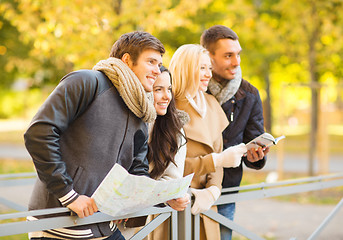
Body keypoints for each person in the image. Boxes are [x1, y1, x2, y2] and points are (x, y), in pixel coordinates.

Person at [24, 31, 165, 240]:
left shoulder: (140, 108)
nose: (157, 70)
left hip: (104, 226)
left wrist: (163, 198)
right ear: (127, 60)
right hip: (61, 225)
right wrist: (69, 195)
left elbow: (137, 168)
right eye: (151, 62)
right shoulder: (86, 82)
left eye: (159, 64)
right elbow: (39, 133)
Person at [169, 44, 247, 240]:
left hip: (205, 206)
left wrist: (213, 190)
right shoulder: (168, 107)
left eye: (209, 68)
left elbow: (218, 153)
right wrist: (215, 161)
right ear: (186, 68)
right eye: (201, 68)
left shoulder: (211, 103)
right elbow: (167, 165)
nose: (208, 74)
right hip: (174, 206)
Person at [201, 25, 270, 240]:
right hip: (188, 189)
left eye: (237, 54)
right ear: (208, 57)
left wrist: (256, 157)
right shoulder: (191, 88)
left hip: (225, 190)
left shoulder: (249, 94)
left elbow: (254, 139)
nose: (236, 62)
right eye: (228, 55)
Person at [118, 66, 190, 239]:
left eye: (169, 89)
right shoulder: (125, 122)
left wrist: (168, 196)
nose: (167, 96)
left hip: (137, 217)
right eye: (158, 90)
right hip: (102, 211)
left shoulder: (175, 132)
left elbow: (171, 179)